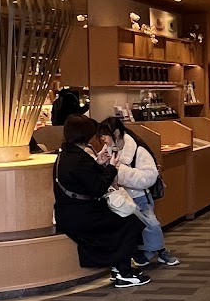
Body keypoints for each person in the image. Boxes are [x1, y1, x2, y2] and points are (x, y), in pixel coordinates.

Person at [53, 114, 149, 288]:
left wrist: (98, 163)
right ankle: (124, 272)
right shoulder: (79, 159)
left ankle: (120, 269)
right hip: (80, 215)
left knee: (121, 222)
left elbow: (84, 181)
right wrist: (111, 167)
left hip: (70, 212)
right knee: (127, 222)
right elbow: (98, 188)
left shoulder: (66, 154)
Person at [100, 116, 180, 269]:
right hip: (120, 196)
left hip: (139, 195)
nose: (102, 138)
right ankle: (142, 254)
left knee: (150, 224)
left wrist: (119, 172)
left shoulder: (137, 149)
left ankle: (161, 251)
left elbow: (149, 176)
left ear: (115, 133)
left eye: (105, 134)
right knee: (133, 227)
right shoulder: (108, 148)